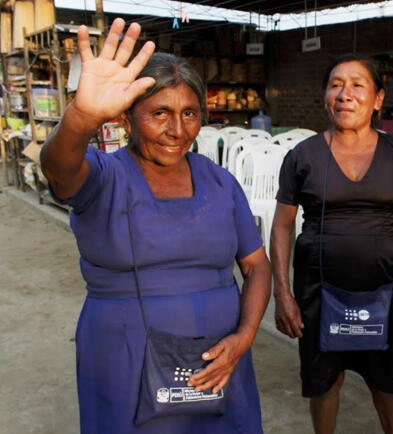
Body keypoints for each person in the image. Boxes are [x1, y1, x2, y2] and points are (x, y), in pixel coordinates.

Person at [40, 19, 271, 433]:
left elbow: (257, 267)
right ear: (126, 120)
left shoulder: (221, 183)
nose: (177, 130)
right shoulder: (103, 177)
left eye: (189, 114)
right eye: (159, 113)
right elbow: (57, 170)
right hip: (122, 360)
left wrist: (245, 336)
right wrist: (81, 116)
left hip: (218, 364)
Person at [270, 53, 393, 434]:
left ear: (377, 99)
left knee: (384, 381)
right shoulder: (303, 156)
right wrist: (283, 293)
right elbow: (282, 225)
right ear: (325, 96)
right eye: (336, 84)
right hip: (319, 292)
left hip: (383, 291)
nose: (345, 94)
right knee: (324, 380)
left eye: (357, 85)